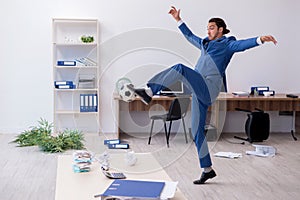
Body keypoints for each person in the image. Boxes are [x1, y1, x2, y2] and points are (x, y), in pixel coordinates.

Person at [128, 6, 277, 184]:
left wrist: (260, 39)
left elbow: (242, 45)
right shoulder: (205, 43)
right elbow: (190, 36)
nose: (208, 30)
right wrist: (178, 20)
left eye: (212, 27)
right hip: (198, 90)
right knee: (197, 132)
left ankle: (150, 91)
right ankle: (207, 169)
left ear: (221, 30)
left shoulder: (227, 44)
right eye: (207, 28)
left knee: (180, 68)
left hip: (209, 87)